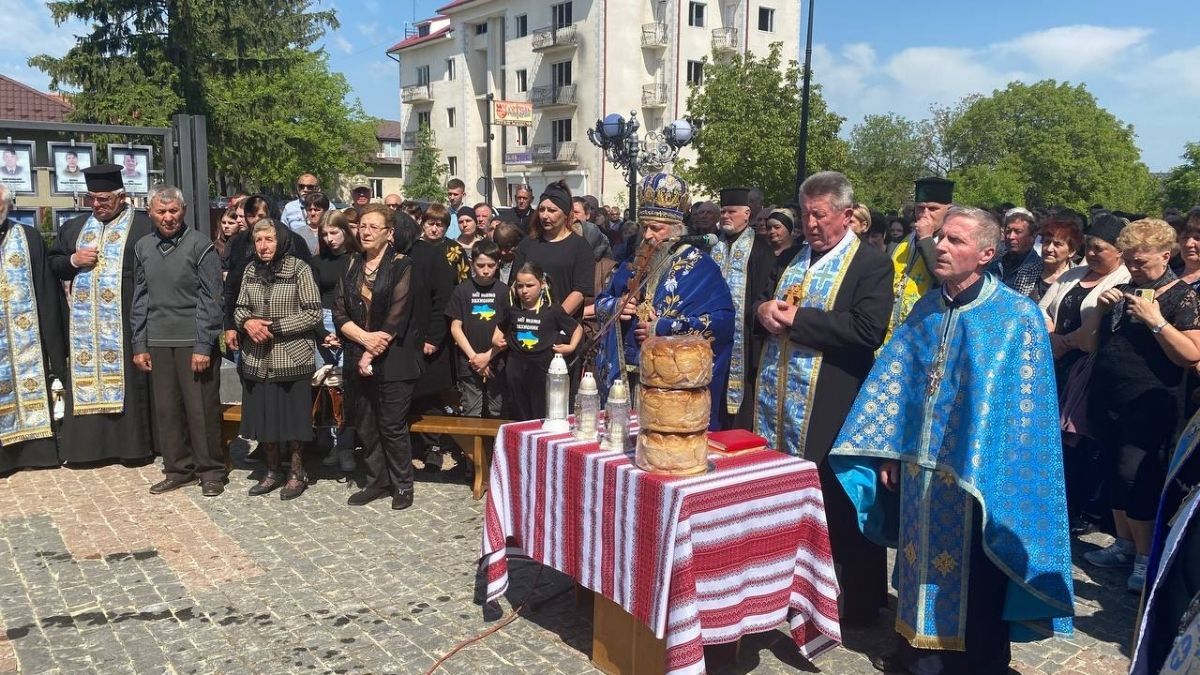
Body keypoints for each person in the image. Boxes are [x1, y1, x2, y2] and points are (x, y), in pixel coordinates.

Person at [831, 206, 1075, 674]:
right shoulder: (926, 307)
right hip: (919, 470)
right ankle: (915, 654)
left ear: (986, 253)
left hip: (977, 476)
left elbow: (1025, 413)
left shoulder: (1015, 317)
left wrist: (995, 470)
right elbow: (899, 385)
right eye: (941, 237)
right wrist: (891, 452)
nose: (940, 246)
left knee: (974, 575)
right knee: (917, 563)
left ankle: (974, 664)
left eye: (955, 240)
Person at [753, 171, 894, 627]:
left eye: (820, 215)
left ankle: (851, 603)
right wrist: (762, 311)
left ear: (847, 215)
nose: (810, 224)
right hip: (779, 401)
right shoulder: (794, 256)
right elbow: (764, 299)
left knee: (836, 501)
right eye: (805, 214)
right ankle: (787, 586)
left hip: (833, 400)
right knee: (784, 496)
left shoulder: (870, 264)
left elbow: (867, 330)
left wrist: (798, 320)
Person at [1086, 218, 1200, 593]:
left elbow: (1191, 354)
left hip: (1151, 401)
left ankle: (1144, 556)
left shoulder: (1183, 297)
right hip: (1110, 395)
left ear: (1165, 255)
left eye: (1141, 260)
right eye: (1129, 259)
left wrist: (1156, 322)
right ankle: (1124, 543)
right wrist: (1099, 309)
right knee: (1113, 471)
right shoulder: (1123, 290)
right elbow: (1092, 342)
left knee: (1136, 475)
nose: (1133, 266)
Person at [594, 172, 735, 425]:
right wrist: (616, 306)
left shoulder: (701, 267)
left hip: (671, 384)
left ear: (677, 229)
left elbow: (721, 322)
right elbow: (601, 302)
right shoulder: (633, 263)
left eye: (656, 228)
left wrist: (664, 327)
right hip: (627, 379)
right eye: (644, 227)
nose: (648, 235)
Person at [48, 164, 155, 465]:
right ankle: (87, 449)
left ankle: (132, 447)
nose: (96, 204)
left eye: (103, 199)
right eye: (91, 198)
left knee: (130, 383)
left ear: (121, 197)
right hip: (85, 329)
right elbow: (54, 263)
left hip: (127, 322)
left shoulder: (143, 226)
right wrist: (74, 259)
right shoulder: (74, 228)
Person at [130, 185, 225, 496]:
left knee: (201, 409)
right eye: (161, 211)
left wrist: (203, 345)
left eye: (173, 211)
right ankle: (178, 469)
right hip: (158, 340)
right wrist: (139, 343)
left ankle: (210, 470)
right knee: (167, 410)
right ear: (150, 213)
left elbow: (212, 298)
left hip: (193, 340)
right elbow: (140, 297)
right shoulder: (143, 247)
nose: (168, 217)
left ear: (183, 211)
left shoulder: (201, 246)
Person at [1038, 214, 1129, 532]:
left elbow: (1096, 333)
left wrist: (1063, 342)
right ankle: (1052, 498)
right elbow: (1043, 307)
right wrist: (1051, 334)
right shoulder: (1074, 274)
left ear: (1119, 251)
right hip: (1054, 361)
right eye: (1089, 246)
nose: (1091, 253)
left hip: (1088, 368)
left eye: (1099, 248)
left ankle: (1080, 509)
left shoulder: (1121, 280)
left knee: (1078, 439)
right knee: (1051, 434)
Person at [335, 205, 426, 510]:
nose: (366, 232)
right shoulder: (350, 263)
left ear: (389, 233)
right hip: (357, 351)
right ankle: (377, 480)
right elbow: (339, 311)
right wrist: (363, 342)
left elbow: (397, 314)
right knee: (366, 423)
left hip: (395, 357)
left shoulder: (403, 265)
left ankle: (402, 484)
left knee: (391, 423)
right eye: (362, 226)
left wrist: (371, 352)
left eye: (374, 227)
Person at [234, 218, 323, 500]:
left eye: (269, 239)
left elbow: (313, 313)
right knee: (264, 418)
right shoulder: (250, 269)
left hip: (291, 356)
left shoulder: (299, 268)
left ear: (281, 241)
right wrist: (247, 322)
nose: (263, 246)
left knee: (294, 421)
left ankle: (297, 472)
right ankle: (272, 471)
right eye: (258, 240)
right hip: (257, 358)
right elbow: (239, 307)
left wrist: (275, 327)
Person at [0, 183, 68, 475]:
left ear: (8, 206)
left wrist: (55, 344)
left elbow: (46, 290)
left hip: (23, 339)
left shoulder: (27, 237)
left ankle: (34, 453)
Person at [710, 186, 775, 430]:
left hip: (745, 339)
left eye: (732, 211)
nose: (726, 216)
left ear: (747, 214)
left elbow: (763, 293)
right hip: (711, 335)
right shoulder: (711, 246)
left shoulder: (761, 249)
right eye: (723, 211)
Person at [221, 196, 313, 363]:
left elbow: (310, 290)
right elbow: (231, 288)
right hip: (247, 327)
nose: (256, 221)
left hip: (289, 334)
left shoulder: (293, 241)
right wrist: (230, 325)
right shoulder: (239, 242)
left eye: (261, 216)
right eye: (251, 216)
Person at [410, 205, 467, 472]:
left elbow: (460, 287)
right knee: (413, 390)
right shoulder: (413, 249)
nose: (434, 229)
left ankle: (433, 445)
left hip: (442, 328)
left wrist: (436, 335)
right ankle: (414, 444)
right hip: (413, 329)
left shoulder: (453, 250)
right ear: (423, 223)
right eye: (430, 223)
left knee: (434, 390)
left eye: (440, 224)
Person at [496, 262, 582, 420]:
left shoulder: (552, 310)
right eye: (520, 286)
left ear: (542, 284)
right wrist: (496, 339)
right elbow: (501, 326)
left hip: (542, 367)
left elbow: (577, 329)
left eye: (530, 285)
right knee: (518, 411)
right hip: (516, 365)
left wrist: (571, 347)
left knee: (540, 411)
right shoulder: (513, 308)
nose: (524, 290)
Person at [311, 210, 362, 472]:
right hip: (323, 321)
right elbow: (310, 300)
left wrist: (344, 331)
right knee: (327, 388)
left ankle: (347, 444)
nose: (329, 239)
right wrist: (323, 333)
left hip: (349, 322)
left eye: (334, 232)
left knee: (347, 386)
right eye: (324, 234)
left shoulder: (356, 259)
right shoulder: (317, 261)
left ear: (345, 231)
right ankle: (332, 442)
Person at [511, 181, 594, 319]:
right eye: (542, 209)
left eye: (552, 211)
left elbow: (579, 292)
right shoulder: (527, 244)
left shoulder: (580, 247)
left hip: (563, 325)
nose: (545, 215)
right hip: (528, 323)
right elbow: (515, 285)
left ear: (565, 213)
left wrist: (553, 321)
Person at [447, 240, 509, 419]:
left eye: (491, 265)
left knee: (497, 411)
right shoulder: (462, 290)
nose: (486, 270)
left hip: (497, 361)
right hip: (469, 361)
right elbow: (455, 328)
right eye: (481, 265)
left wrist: (488, 357)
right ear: (472, 263)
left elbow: (508, 329)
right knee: (471, 412)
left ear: (498, 264)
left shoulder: (504, 292)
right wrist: (475, 358)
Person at [888, 177, 953, 341]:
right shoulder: (904, 241)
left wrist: (926, 239)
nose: (925, 214)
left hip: (924, 333)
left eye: (933, 209)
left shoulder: (951, 243)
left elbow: (947, 282)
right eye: (920, 208)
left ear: (948, 210)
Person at [1033, 210, 1082, 301]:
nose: (1049, 249)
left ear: (1071, 251)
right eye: (1047, 242)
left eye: (1057, 244)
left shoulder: (1078, 279)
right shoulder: (1026, 272)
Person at [994, 207, 1043, 297]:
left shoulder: (1039, 270)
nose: (1011, 237)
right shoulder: (995, 261)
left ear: (1033, 236)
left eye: (1018, 232)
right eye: (1008, 231)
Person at [570, 196, 614, 261]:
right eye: (569, 212)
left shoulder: (601, 237)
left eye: (576, 212)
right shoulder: (558, 234)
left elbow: (607, 263)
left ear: (587, 214)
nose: (572, 216)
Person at [297, 191, 329, 255]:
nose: (312, 213)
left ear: (325, 210)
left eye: (317, 210)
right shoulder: (298, 233)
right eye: (309, 210)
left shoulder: (332, 231)